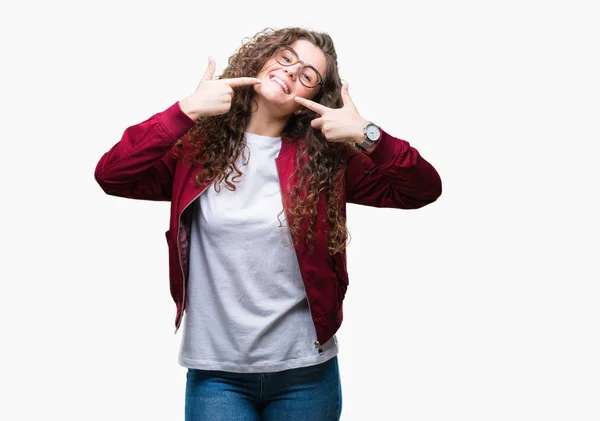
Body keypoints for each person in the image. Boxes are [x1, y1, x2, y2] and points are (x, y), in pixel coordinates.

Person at [95, 26, 442, 421]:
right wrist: (186, 110)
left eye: (308, 75)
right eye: (286, 57)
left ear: (307, 101)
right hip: (217, 372)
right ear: (262, 59)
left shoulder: (327, 160)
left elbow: (422, 190)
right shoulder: (195, 149)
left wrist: (367, 135)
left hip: (306, 374)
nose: (293, 71)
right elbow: (112, 174)